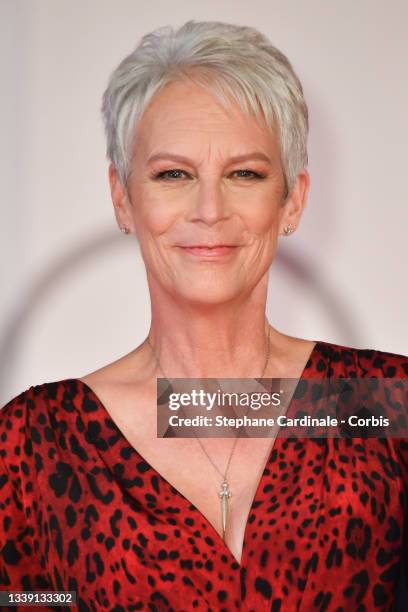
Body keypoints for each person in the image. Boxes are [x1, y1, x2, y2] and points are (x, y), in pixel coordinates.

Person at [0, 19, 407, 612]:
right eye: (173, 174)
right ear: (123, 197)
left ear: (291, 198)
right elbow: (30, 602)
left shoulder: (384, 409)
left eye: (245, 173)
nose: (209, 209)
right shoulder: (32, 446)